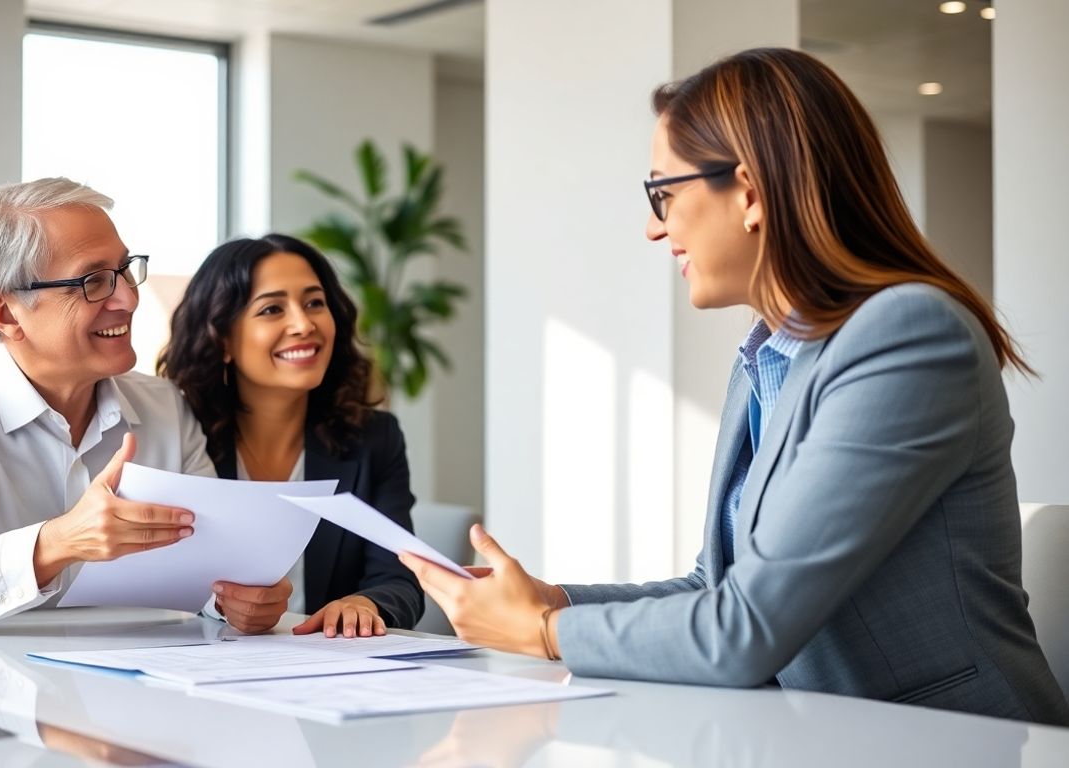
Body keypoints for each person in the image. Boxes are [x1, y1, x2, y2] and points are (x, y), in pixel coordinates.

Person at [400, 48, 1069, 724]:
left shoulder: (910, 335)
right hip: (824, 736)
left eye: (664, 193)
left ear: (748, 192)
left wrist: (541, 634)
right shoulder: (769, 356)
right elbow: (715, 586)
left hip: (962, 742)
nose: (654, 225)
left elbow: (742, 630)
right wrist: (552, 601)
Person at [0, 178, 290, 635]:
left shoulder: (164, 406)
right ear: (7, 313)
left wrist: (238, 599)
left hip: (136, 685)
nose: (128, 299)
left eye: (125, 270)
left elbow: (211, 567)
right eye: (93, 281)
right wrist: (56, 543)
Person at [158, 234, 424, 637]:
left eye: (315, 302)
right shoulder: (176, 433)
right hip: (200, 662)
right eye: (272, 309)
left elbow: (402, 579)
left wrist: (365, 603)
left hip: (322, 669)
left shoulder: (373, 438)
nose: (303, 324)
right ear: (222, 338)